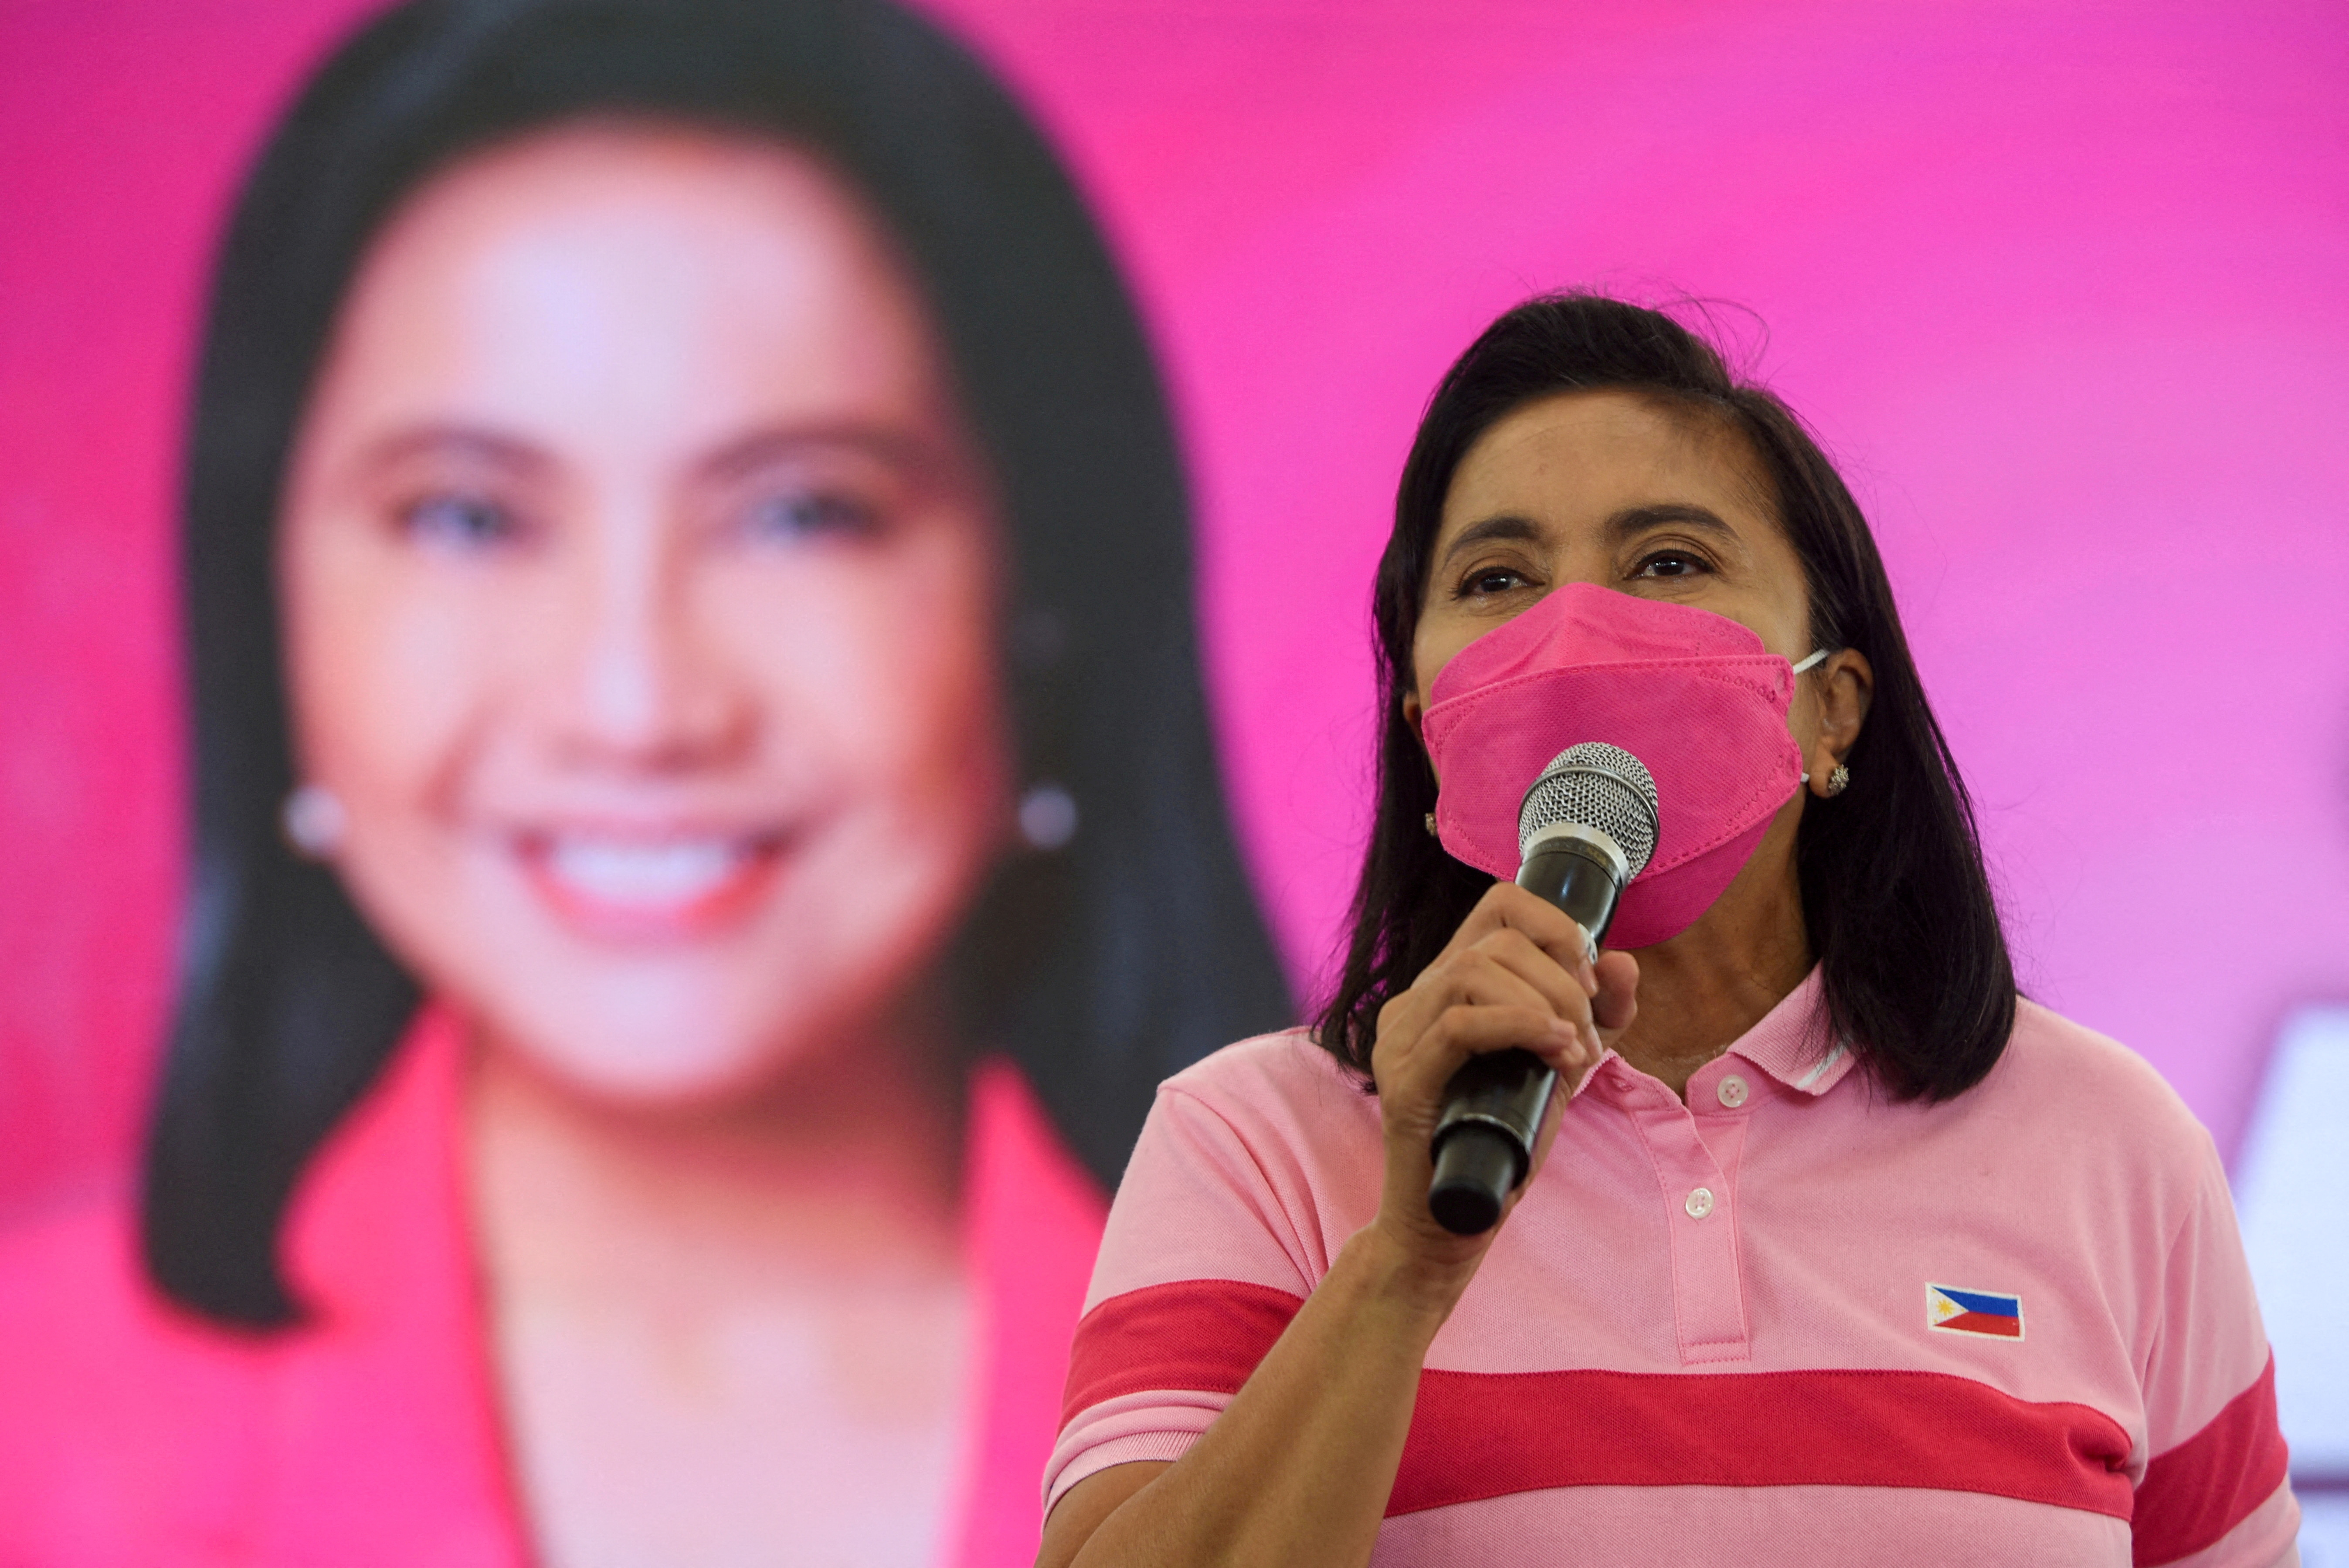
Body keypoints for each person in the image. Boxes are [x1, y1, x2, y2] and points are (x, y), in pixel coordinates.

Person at [0, 0, 1287, 1564]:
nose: (637, 706)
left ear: (1048, 604)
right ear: (272, 615)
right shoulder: (40, 1433)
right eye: (469, 519)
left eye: (805, 514)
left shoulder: (1453, 1416)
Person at [1040, 295, 2299, 1568]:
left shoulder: (2108, 1147)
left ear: (1833, 713)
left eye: (1669, 562)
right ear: (1428, 727)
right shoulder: (1253, 1144)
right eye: (1497, 580)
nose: (1574, 635)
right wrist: (1405, 1264)